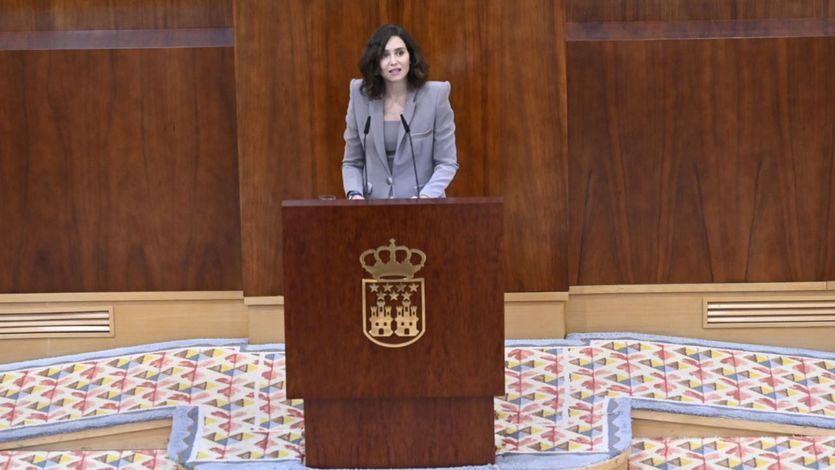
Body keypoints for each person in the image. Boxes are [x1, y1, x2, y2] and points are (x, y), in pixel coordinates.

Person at [342, 24, 458, 199]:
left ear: (410, 58)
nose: (393, 61)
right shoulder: (360, 95)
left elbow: (446, 163)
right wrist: (355, 194)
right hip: (372, 207)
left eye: (399, 53)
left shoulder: (436, 95)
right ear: (375, 63)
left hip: (421, 205)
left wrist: (425, 198)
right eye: (385, 55)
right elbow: (352, 162)